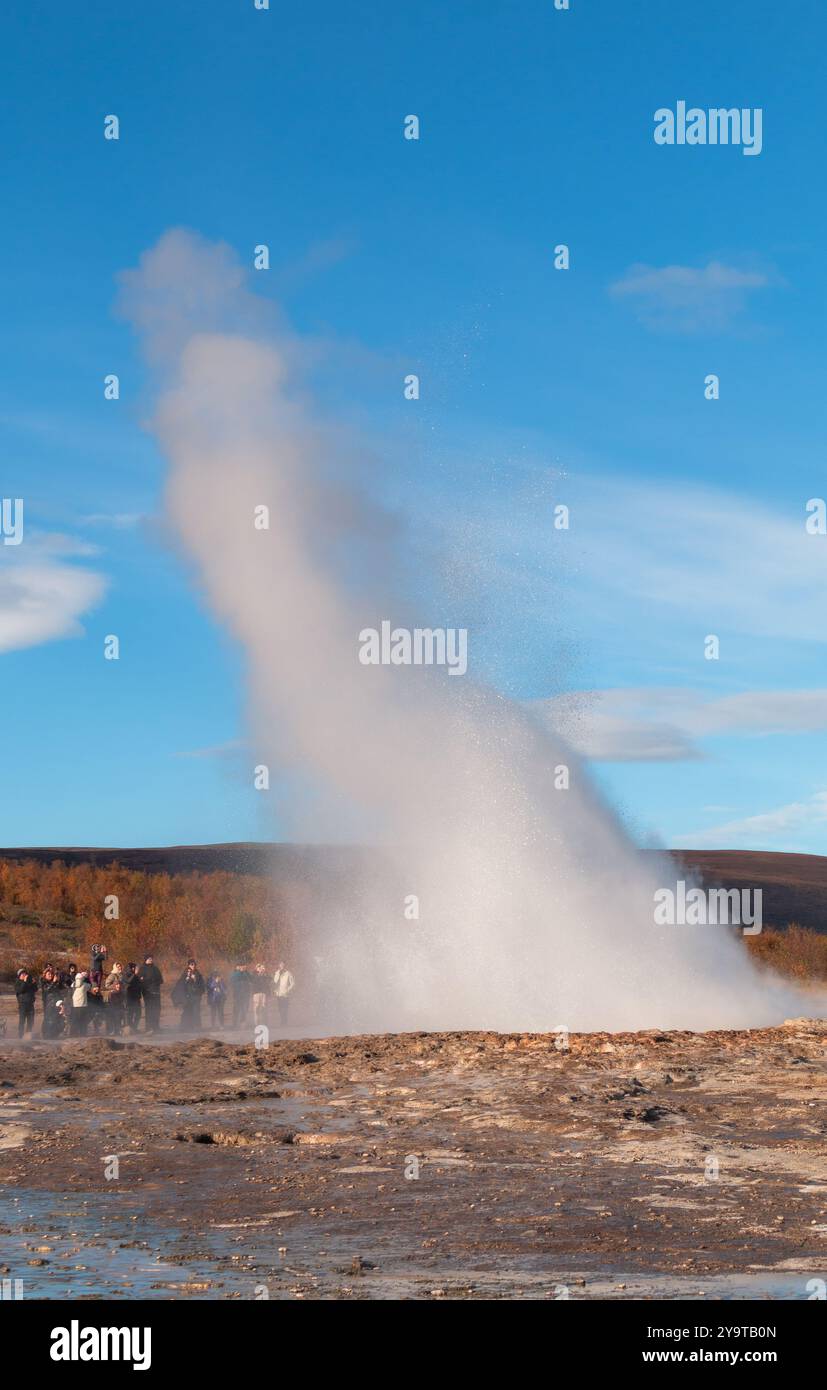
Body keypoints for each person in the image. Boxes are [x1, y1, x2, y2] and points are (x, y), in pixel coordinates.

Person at [172, 959, 205, 1032]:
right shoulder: (184, 974)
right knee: (186, 1011)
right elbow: (180, 985)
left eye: (194, 964)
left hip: (196, 996)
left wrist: (195, 979)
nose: (193, 966)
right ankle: (185, 1026)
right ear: (188, 965)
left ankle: (197, 1026)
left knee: (196, 1012)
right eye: (191, 964)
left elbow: (202, 986)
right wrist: (186, 980)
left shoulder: (198, 974)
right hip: (187, 996)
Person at [137, 954, 163, 1033]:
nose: (150, 960)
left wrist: (156, 981)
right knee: (149, 1009)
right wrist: (147, 980)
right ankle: (148, 1027)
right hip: (147, 992)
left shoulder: (156, 968)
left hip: (156, 992)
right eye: (149, 959)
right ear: (145, 960)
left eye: (151, 958)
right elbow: (140, 980)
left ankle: (156, 1026)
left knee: (157, 1009)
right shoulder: (142, 969)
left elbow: (161, 980)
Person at [40, 967, 63, 1039]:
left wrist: (62, 1003)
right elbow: (47, 990)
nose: (50, 975)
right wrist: (53, 982)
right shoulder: (43, 982)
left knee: (57, 1019)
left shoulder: (55, 982)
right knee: (49, 1020)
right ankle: (46, 1035)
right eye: (48, 974)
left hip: (56, 1003)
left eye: (51, 974)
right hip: (48, 1004)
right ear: (45, 975)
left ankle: (54, 1034)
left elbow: (60, 992)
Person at [15, 969, 37, 1038]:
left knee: (31, 1021)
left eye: (25, 974)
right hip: (22, 1005)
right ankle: (20, 1036)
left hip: (30, 1004)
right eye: (22, 974)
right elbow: (20, 990)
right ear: (19, 976)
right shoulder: (17, 983)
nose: (24, 975)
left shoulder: (28, 983)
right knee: (22, 1021)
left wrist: (34, 983)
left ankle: (28, 1034)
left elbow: (35, 989)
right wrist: (24, 981)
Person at [272, 961, 295, 1028]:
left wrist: (287, 990)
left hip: (285, 994)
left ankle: (284, 1022)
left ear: (285, 965)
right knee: (280, 1008)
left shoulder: (288, 973)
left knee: (285, 1008)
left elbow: (293, 983)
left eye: (283, 965)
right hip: (279, 993)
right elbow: (275, 982)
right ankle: (282, 1020)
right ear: (279, 965)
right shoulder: (277, 972)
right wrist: (278, 974)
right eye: (280, 964)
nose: (282, 966)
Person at [123, 963, 143, 1033]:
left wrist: (141, 980)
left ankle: (134, 1028)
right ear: (129, 968)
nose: (134, 969)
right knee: (130, 1013)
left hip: (137, 997)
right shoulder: (125, 974)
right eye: (133, 968)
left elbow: (139, 985)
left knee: (138, 1013)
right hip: (129, 997)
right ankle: (129, 1028)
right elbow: (128, 981)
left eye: (135, 968)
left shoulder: (136, 975)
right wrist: (135, 974)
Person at [71, 970, 91, 1036]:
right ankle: (83, 1033)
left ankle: (74, 1033)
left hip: (75, 1005)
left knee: (75, 1020)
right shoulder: (85, 985)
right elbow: (90, 985)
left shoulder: (73, 984)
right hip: (83, 1005)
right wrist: (86, 977)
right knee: (83, 1020)